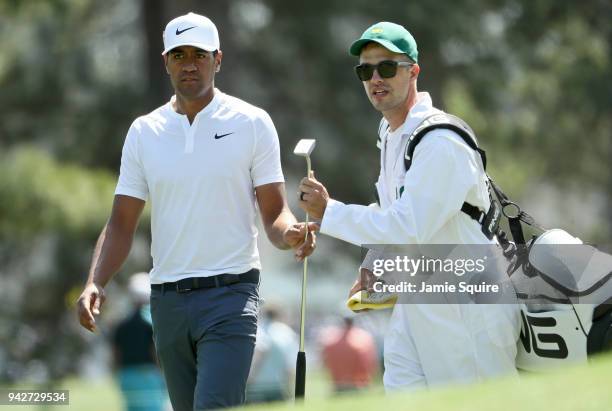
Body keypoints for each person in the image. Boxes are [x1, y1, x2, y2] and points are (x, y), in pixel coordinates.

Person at [76, 12, 314, 411]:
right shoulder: (144, 131)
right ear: (166, 60)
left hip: (231, 295)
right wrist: (95, 281)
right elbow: (120, 223)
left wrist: (291, 233)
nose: (189, 63)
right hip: (167, 303)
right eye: (179, 54)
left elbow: (275, 214)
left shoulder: (252, 122)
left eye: (200, 55)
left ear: (217, 60)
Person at [296, 22, 520, 390]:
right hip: (419, 301)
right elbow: (394, 215)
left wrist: (330, 212)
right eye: (365, 70)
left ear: (413, 71)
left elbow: (408, 225)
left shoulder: (439, 140)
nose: (375, 79)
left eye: (387, 67)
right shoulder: (391, 135)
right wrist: (375, 266)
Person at [111, 273, 166, 411]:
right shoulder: (151, 322)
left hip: (126, 375)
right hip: (148, 375)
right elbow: (154, 351)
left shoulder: (121, 325)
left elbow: (116, 353)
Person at [246, 304, 298, 403]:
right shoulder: (287, 332)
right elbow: (290, 366)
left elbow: (257, 356)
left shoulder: (257, 330)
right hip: (277, 387)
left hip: (256, 387)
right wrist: (289, 387)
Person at [319, 316, 378, 393]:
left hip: (338, 385)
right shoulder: (363, 339)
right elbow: (370, 364)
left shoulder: (331, 341)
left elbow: (324, 362)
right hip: (357, 386)